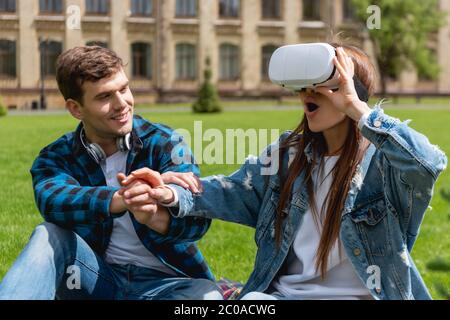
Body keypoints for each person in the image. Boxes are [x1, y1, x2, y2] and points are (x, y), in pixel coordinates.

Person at [120, 44, 448, 300]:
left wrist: (356, 108)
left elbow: (427, 163)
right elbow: (232, 191)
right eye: (304, 86)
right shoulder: (288, 156)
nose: (307, 93)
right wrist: (171, 193)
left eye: (322, 85)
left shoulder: (384, 163)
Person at [0, 46, 222, 300]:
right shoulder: (56, 156)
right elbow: (52, 201)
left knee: (207, 297)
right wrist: (120, 198)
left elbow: (198, 220)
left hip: (167, 283)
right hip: (93, 280)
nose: (122, 104)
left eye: (124, 89)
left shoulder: (166, 143)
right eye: (105, 97)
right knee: (48, 235)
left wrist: (155, 208)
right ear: (76, 109)